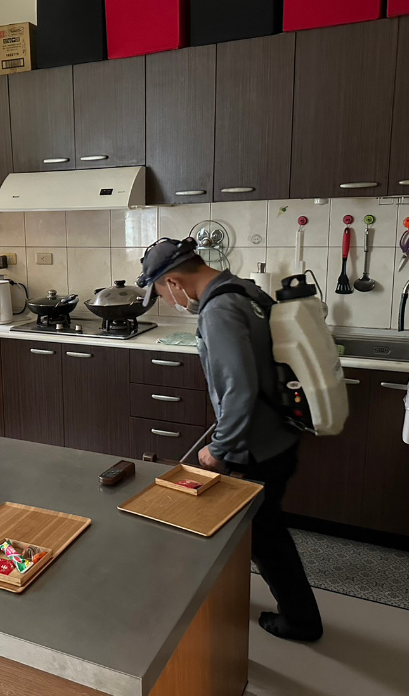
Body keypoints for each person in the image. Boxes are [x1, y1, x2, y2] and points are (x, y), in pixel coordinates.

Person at [138, 237, 324, 642]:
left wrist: (220, 448)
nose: (168, 301)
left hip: (255, 445)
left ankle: (301, 621)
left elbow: (239, 388)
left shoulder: (219, 310)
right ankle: (260, 604)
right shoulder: (243, 289)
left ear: (174, 282)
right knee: (260, 531)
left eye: (161, 293)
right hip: (279, 433)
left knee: (264, 536)